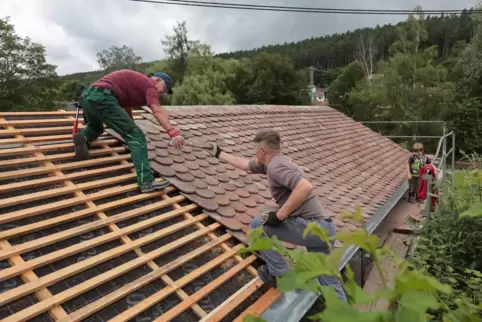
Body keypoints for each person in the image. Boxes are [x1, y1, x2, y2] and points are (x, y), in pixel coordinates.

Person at [204, 129, 347, 301]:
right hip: (325, 230)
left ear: (263, 150)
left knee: (258, 226)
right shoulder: (272, 163)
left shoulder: (276, 166)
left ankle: (280, 275)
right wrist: (219, 153)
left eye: (255, 149)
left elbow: (305, 186)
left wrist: (279, 216)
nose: (254, 152)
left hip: (313, 227)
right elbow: (245, 164)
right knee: (329, 281)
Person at [73, 69, 185, 193]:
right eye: (163, 89)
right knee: (137, 137)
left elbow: (126, 107)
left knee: (96, 127)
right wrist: (173, 133)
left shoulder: (136, 83)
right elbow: (157, 111)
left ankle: (83, 137)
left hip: (87, 96)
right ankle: (146, 181)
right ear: (157, 80)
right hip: (103, 97)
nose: (162, 94)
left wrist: (130, 127)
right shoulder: (150, 85)